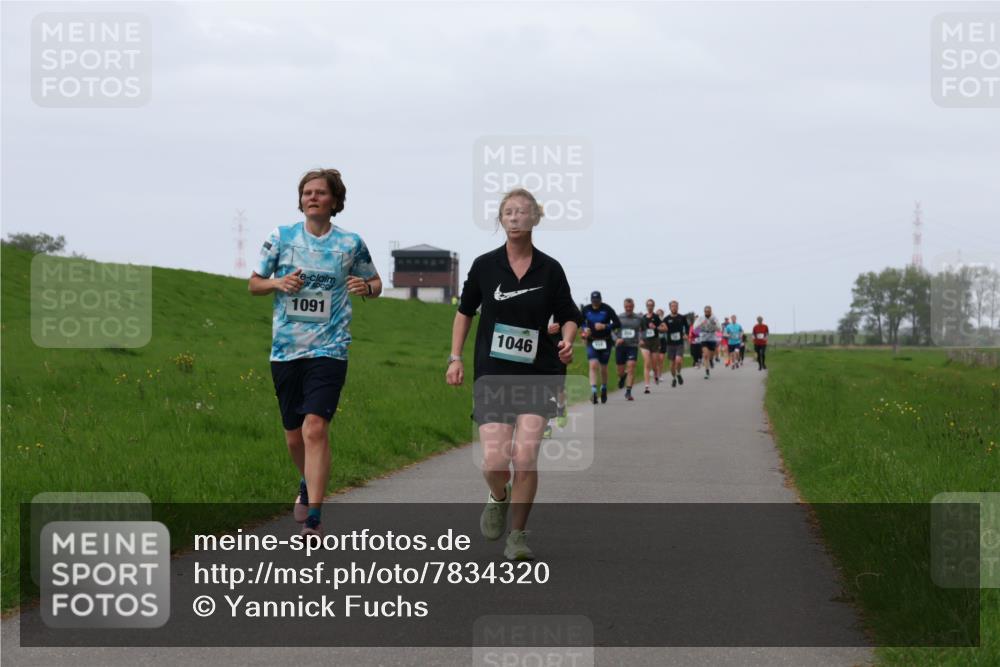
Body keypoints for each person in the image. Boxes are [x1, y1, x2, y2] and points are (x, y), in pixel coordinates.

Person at [446, 188, 579, 561]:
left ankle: (518, 535)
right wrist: (454, 357)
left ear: (535, 219)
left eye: (523, 212)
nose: (516, 217)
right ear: (501, 220)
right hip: (493, 374)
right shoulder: (485, 266)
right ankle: (497, 496)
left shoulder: (550, 269)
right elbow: (465, 311)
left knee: (525, 457)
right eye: (509, 212)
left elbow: (569, 314)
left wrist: (567, 340)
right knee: (494, 461)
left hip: (539, 374)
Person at [250, 168, 381, 537]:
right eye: (307, 192)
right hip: (286, 350)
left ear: (335, 201)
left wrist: (365, 288)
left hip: (330, 348)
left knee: (315, 428)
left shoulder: (351, 243)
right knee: (294, 436)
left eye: (320, 192)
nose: (312, 197)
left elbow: (376, 282)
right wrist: (278, 282)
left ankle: (314, 519)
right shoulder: (282, 237)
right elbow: (254, 283)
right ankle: (306, 482)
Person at [580, 291, 620, 404]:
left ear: (600, 300)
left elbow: (617, 323)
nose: (595, 303)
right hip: (592, 341)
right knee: (593, 365)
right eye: (593, 301)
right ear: (591, 300)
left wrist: (605, 326)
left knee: (603, 367)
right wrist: (584, 329)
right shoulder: (586, 309)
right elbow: (580, 321)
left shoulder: (607, 309)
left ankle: (603, 388)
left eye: (597, 301)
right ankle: (593, 390)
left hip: (606, 341)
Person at [615, 298, 642, 401]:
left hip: (632, 346)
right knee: (620, 371)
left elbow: (643, 330)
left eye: (630, 307)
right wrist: (617, 339)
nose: (628, 308)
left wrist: (641, 338)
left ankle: (628, 392)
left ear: (633, 306)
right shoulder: (619, 317)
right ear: (624, 306)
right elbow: (612, 331)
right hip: (621, 347)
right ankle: (622, 377)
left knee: (631, 367)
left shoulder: (639, 318)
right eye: (627, 307)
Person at [662, 300, 689, 387]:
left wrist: (686, 334)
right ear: (670, 308)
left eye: (676, 306)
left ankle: (678, 373)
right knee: (672, 363)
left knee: (678, 360)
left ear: (678, 307)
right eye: (672, 306)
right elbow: (662, 329)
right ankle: (674, 378)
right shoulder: (666, 319)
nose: (674, 307)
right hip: (670, 343)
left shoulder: (682, 317)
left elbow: (687, 327)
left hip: (679, 343)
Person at [639, 299, 662, 394]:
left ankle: (656, 375)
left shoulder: (656, 317)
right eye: (648, 305)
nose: (650, 307)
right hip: (645, 342)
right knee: (647, 362)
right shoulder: (643, 318)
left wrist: (656, 327)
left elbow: (664, 328)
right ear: (646, 306)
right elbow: (639, 330)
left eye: (651, 305)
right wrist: (639, 339)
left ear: (653, 306)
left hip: (654, 342)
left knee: (654, 364)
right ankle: (647, 386)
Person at [694, 305, 720, 379]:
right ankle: (707, 372)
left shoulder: (714, 318)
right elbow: (695, 327)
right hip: (704, 338)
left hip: (712, 338)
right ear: (704, 312)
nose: (707, 313)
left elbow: (719, 328)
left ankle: (711, 360)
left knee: (711, 355)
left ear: (711, 311)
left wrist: (715, 325)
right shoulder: (701, 318)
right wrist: (701, 324)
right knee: (705, 355)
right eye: (706, 311)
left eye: (708, 311)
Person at [654, 308, 668, 382]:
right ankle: (654, 372)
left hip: (662, 341)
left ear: (662, 314)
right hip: (655, 341)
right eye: (657, 314)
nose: (659, 315)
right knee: (655, 359)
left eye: (660, 314)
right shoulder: (653, 321)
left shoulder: (664, 322)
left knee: (661, 359)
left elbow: (666, 329)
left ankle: (660, 375)